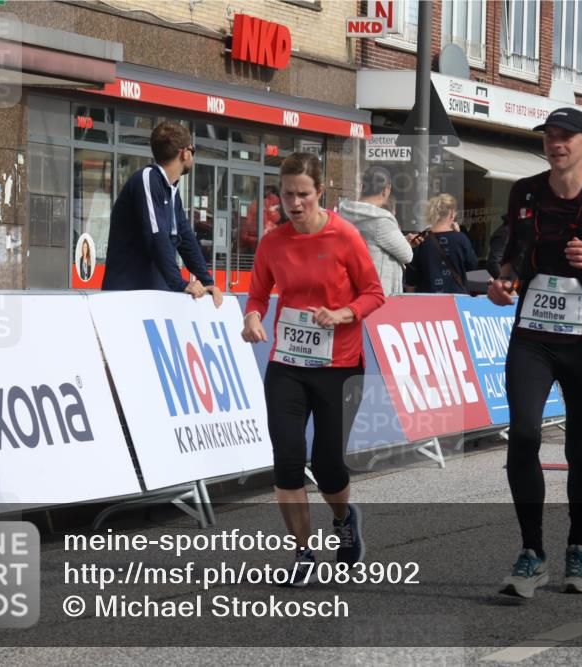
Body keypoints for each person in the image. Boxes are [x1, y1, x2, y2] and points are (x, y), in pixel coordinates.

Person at [487, 107, 582, 597]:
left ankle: (580, 546)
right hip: (532, 336)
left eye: (566, 136)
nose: (556, 143)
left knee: (580, 446)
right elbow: (513, 253)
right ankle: (532, 553)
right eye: (550, 136)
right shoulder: (525, 192)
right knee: (525, 436)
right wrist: (504, 280)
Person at [241, 152, 385, 583]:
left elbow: (375, 293)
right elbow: (258, 295)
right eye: (287, 194)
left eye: (303, 194)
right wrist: (251, 317)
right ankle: (303, 554)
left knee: (326, 465)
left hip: (340, 365)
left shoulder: (344, 237)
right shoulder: (273, 241)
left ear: (320, 192)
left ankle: (343, 519)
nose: (295, 203)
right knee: (286, 458)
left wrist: (343, 315)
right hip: (287, 363)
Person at [102, 122, 222, 305]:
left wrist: (207, 281)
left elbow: (186, 239)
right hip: (127, 295)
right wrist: (179, 283)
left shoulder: (171, 190)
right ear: (185, 153)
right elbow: (157, 236)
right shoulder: (148, 179)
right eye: (193, 150)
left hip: (152, 294)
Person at [338, 166, 413, 297]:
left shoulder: (343, 213)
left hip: (349, 289)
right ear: (386, 190)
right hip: (377, 292)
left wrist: (403, 240)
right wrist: (406, 243)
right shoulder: (381, 221)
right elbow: (407, 255)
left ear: (362, 186)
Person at [405, 194, 478, 293]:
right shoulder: (461, 239)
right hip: (456, 298)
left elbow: (411, 277)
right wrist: (458, 235)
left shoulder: (420, 240)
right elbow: (472, 265)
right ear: (452, 213)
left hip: (427, 299)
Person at [486, 213, 512, 279]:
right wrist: (503, 279)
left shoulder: (507, 231)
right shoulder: (505, 232)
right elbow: (494, 260)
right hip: (502, 279)